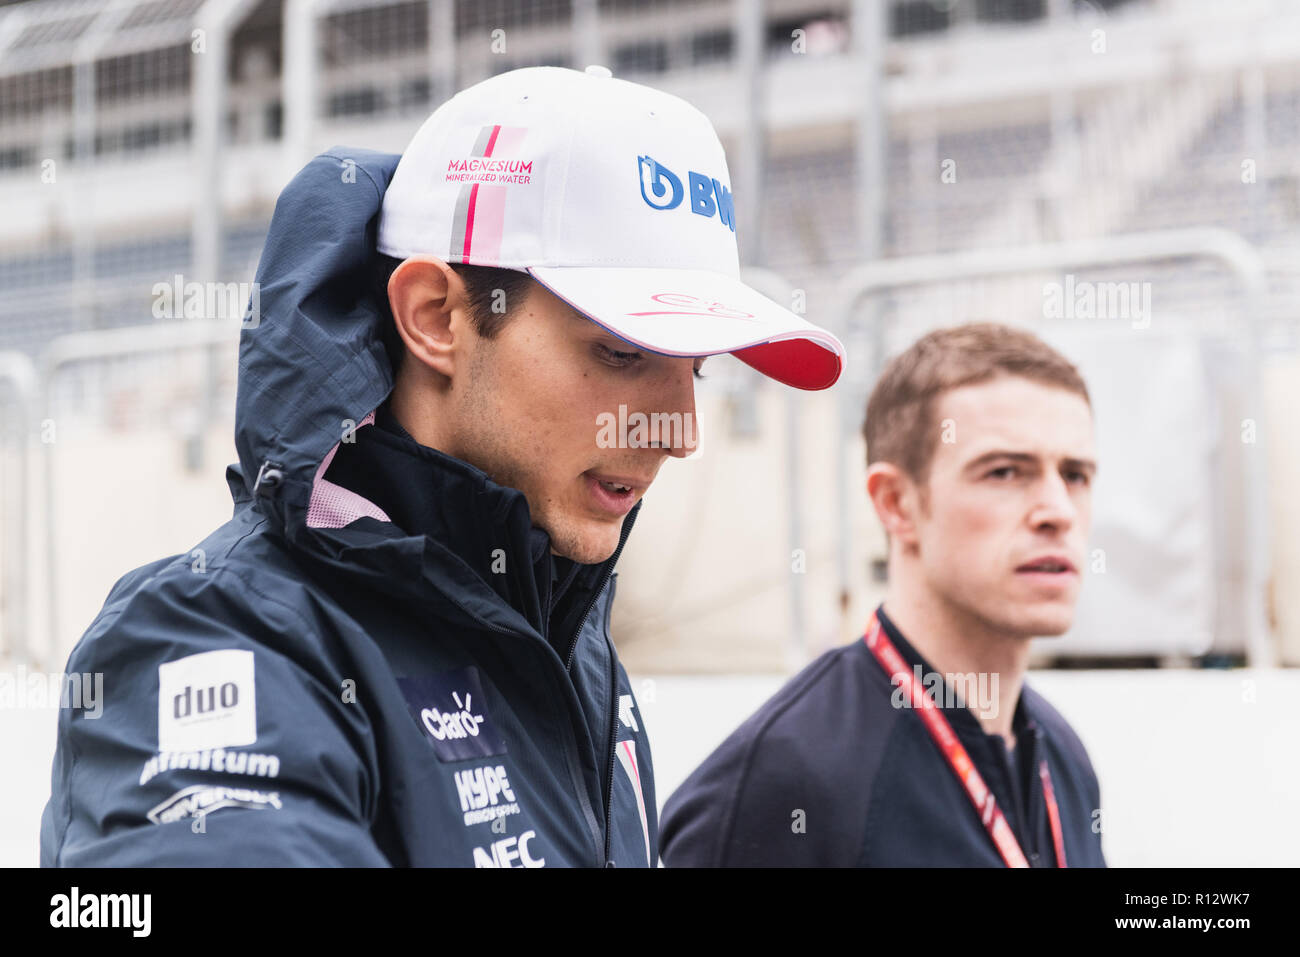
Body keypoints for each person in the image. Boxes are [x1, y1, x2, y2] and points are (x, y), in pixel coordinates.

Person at [39, 65, 844, 867]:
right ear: (435, 317)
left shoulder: (572, 645)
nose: (680, 431)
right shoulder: (215, 640)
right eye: (623, 351)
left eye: (696, 369)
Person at [659, 322, 1106, 867]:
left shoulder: (1062, 757)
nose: (1058, 511)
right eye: (1006, 471)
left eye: (1076, 474)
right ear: (896, 503)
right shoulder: (785, 782)